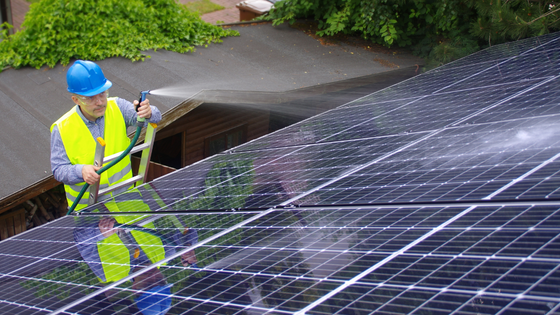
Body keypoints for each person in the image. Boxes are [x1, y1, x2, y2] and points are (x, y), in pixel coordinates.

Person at [50, 60, 162, 211]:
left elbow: (155, 116)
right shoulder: (62, 128)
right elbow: (58, 169)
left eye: (102, 94)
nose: (100, 102)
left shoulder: (118, 107)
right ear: (76, 100)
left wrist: (148, 112)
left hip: (127, 202)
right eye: (90, 98)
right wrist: (81, 171)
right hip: (90, 214)